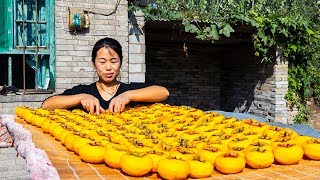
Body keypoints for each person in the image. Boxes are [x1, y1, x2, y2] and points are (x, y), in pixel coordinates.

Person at [42, 37, 169, 114]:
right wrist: (80, 98)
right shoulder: (84, 91)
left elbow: (163, 92)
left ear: (121, 63)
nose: (108, 67)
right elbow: (47, 105)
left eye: (113, 61)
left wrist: (128, 96)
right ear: (94, 64)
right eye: (102, 62)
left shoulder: (129, 90)